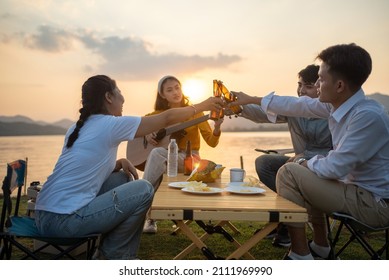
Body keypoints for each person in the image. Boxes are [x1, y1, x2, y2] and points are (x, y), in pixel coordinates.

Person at [34, 75, 223, 260]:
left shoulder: (75, 128)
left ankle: (106, 251)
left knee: (121, 178)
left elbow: (83, 166)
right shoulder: (111, 124)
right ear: (109, 97)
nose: (123, 99)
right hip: (66, 222)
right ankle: (115, 257)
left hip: (42, 216)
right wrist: (204, 105)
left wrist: (117, 163)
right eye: (119, 93)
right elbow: (166, 118)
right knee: (144, 188)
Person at [229, 43, 389, 260]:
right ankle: (321, 248)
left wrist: (303, 163)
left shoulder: (367, 116)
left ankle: (300, 256)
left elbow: (334, 167)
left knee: (289, 172)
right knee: (301, 169)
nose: (317, 84)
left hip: (374, 205)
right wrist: (249, 99)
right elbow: (297, 105)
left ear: (340, 85)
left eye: (321, 79)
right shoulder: (338, 105)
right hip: (355, 191)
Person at [234, 65, 332, 247]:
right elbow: (263, 114)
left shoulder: (332, 112)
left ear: (320, 87)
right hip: (296, 165)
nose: (301, 90)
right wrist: (238, 108)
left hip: (322, 168)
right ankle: (288, 215)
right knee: (265, 162)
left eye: (308, 86)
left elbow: (338, 153)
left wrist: (305, 157)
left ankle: (288, 225)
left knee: (290, 168)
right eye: (299, 85)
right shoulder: (295, 109)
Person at [140, 75, 224, 233]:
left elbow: (212, 142)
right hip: (166, 160)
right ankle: (150, 218)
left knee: (158, 154)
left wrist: (217, 128)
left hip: (189, 160)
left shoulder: (196, 112)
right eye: (169, 90)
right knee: (159, 157)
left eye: (177, 87)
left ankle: (142, 205)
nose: (175, 92)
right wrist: (147, 134)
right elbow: (140, 127)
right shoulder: (156, 115)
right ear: (163, 95)